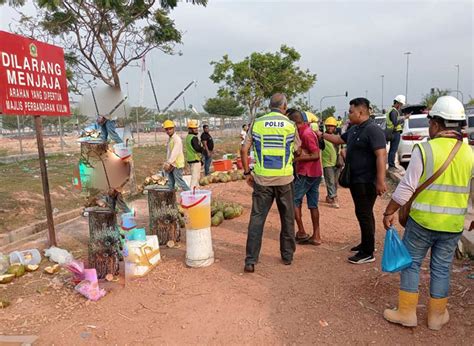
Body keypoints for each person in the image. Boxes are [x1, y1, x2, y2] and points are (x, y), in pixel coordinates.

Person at [382, 96, 473, 330]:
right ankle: (436, 317)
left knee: (411, 264)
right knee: (442, 268)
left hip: (421, 222)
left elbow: (406, 187)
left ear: (435, 124)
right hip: (452, 225)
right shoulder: (470, 153)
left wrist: (389, 211)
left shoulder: (424, 149)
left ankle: (407, 313)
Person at [320, 98, 387, 264]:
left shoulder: (373, 130)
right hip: (356, 179)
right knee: (362, 212)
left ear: (361, 112)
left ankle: (368, 252)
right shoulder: (355, 129)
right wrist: (322, 135)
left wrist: (380, 180)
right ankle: (366, 243)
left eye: (351, 111)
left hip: (367, 180)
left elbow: (381, 155)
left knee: (364, 213)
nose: (349, 114)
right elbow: (339, 140)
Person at [241, 93, 300, 273]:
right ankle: (287, 255)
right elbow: (297, 150)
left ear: (269, 106)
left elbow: (244, 149)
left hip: (262, 179)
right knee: (287, 218)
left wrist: (246, 173)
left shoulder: (257, 123)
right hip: (285, 180)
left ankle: (251, 260)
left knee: (257, 219)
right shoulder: (290, 125)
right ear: (284, 106)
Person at [287, 109, 322, 246]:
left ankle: (301, 231)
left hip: (306, 173)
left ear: (294, 122)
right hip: (314, 173)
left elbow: (315, 154)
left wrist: (298, 158)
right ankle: (316, 235)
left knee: (294, 201)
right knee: (312, 204)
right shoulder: (304, 132)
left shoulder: (306, 133)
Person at [163, 120, 190, 192]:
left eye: (170, 129)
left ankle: (190, 194)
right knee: (171, 182)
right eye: (167, 129)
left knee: (179, 181)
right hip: (172, 163)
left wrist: (169, 162)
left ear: (174, 128)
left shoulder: (176, 139)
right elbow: (170, 152)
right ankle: (170, 198)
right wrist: (168, 162)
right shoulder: (171, 139)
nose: (168, 131)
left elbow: (175, 152)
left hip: (177, 164)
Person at [386, 95, 409, 171]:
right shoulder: (393, 111)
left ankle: (391, 165)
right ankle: (391, 166)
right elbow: (395, 122)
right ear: (398, 103)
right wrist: (404, 118)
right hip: (394, 132)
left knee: (393, 150)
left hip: (393, 132)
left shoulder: (392, 111)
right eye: (401, 104)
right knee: (393, 150)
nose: (401, 106)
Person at [322, 116, 341, 208]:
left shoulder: (338, 137)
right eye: (328, 126)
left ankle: (330, 196)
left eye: (332, 126)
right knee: (330, 181)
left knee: (335, 182)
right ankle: (334, 198)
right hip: (327, 163)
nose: (330, 128)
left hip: (338, 163)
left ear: (335, 127)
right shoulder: (322, 137)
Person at [186, 119, 204, 189]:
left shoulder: (188, 137)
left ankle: (197, 191)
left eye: (196, 128)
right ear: (190, 129)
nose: (196, 130)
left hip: (191, 159)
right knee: (195, 178)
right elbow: (197, 148)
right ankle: (191, 193)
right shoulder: (193, 138)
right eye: (194, 128)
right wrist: (202, 149)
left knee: (196, 178)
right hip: (195, 159)